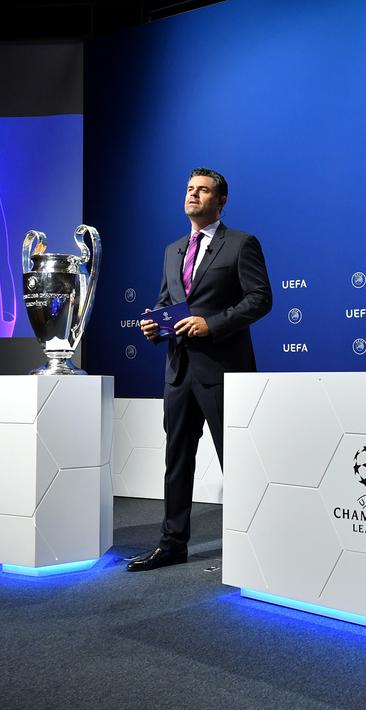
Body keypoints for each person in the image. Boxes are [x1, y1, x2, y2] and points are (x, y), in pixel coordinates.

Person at [128, 167, 272, 571]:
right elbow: (164, 302)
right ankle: (172, 544)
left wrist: (214, 323)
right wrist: (154, 323)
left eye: (203, 190)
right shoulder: (173, 249)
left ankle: (253, 543)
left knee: (237, 460)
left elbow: (261, 299)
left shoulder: (242, 244)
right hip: (178, 371)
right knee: (177, 460)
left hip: (224, 369)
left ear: (221, 200)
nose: (193, 195)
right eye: (190, 189)